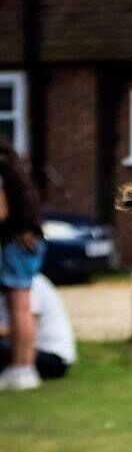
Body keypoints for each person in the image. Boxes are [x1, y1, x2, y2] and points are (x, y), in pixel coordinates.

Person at [0, 138, 46, 391]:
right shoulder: (14, 169)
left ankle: (22, 368)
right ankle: (22, 368)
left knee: (19, 308)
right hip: (27, 241)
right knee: (21, 307)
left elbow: (1, 212)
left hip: (16, 244)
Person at [0, 272, 76, 384]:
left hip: (52, 357)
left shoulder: (30, 283)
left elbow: (25, 328)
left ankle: (22, 372)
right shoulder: (10, 282)